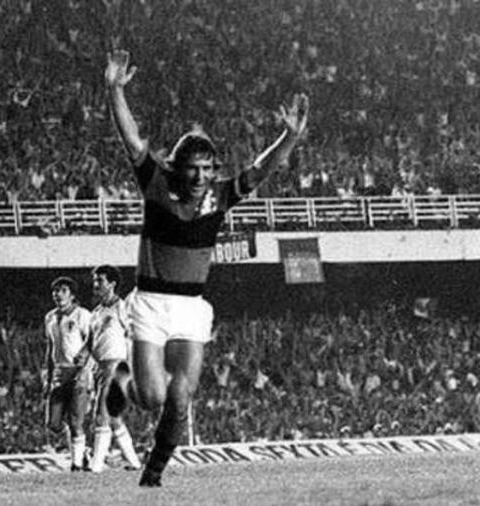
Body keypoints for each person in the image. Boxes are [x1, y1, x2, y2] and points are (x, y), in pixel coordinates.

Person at [103, 49, 309, 487]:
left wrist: (288, 138)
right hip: (152, 303)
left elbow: (260, 170)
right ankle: (122, 381)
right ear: (177, 168)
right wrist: (115, 90)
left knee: (182, 395)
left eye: (206, 169)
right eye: (192, 169)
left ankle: (153, 474)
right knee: (153, 396)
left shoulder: (220, 195)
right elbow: (132, 139)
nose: (199, 177)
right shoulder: (157, 184)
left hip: (191, 306)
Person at [86, 264, 142, 473]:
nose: (96, 285)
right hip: (101, 367)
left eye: (100, 281)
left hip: (117, 365)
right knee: (114, 418)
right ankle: (135, 463)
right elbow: (94, 344)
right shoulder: (96, 313)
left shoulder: (122, 307)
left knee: (100, 415)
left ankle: (96, 467)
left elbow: (133, 335)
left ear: (112, 284)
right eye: (95, 281)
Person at [43, 276, 93, 471]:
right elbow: (50, 348)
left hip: (78, 372)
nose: (58, 294)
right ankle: (83, 451)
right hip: (59, 373)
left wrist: (85, 370)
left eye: (63, 291)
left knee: (75, 420)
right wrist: (47, 377)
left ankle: (76, 463)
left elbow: (91, 344)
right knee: (53, 424)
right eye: (55, 291)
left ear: (72, 295)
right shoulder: (50, 317)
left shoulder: (82, 315)